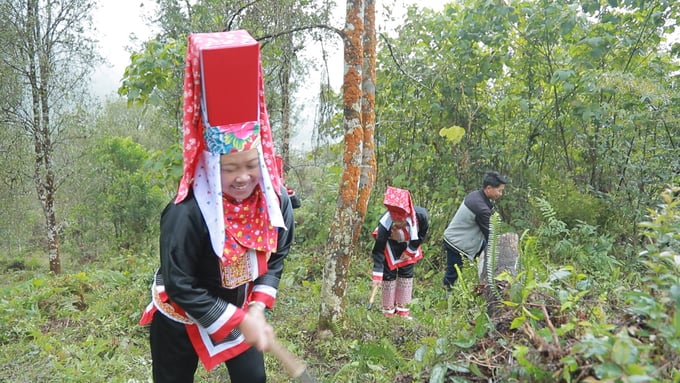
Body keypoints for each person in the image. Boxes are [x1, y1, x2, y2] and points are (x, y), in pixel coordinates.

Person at [139, 30, 294, 383]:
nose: (243, 177)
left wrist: (255, 307)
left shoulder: (275, 204)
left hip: (240, 310)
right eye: (229, 167)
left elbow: (277, 255)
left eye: (251, 165)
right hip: (179, 315)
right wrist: (242, 320)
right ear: (210, 166)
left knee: (253, 379)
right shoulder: (187, 214)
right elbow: (180, 284)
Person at [442, 171, 507, 290]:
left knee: (485, 254)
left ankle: (486, 282)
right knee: (453, 273)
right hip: (456, 242)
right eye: (499, 190)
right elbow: (490, 235)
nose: (500, 194)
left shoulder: (476, 195)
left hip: (460, 237)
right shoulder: (481, 208)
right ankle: (447, 295)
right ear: (488, 188)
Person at [371, 186, 429, 319]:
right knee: (388, 275)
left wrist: (410, 251)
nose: (397, 223)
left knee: (406, 274)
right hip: (390, 247)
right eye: (395, 220)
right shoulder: (385, 224)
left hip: (409, 245)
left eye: (400, 221)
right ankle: (388, 312)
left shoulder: (421, 216)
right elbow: (378, 249)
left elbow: (421, 234)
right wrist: (377, 276)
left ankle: (403, 312)